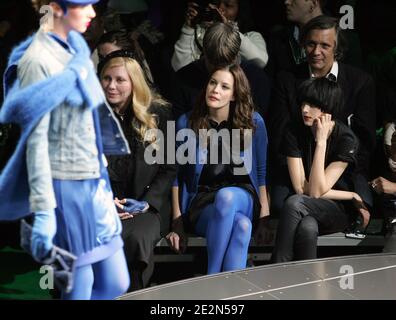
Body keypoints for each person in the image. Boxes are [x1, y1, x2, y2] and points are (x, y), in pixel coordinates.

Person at [0, 0, 130, 299]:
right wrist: (45, 211)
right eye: (82, 5)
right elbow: (35, 141)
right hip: (65, 186)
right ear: (57, 8)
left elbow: (90, 125)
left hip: (92, 180)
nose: (93, 13)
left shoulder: (76, 48)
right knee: (78, 286)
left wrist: (103, 183)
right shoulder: (37, 60)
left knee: (116, 283)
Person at [167, 64, 271, 274]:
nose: (215, 90)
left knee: (227, 197)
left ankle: (211, 278)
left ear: (235, 95)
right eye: (213, 83)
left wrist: (264, 219)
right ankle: (229, 296)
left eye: (225, 86)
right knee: (241, 227)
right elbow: (176, 176)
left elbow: (261, 173)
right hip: (202, 202)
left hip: (243, 197)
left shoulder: (254, 122)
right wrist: (177, 222)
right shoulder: (186, 122)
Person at [268, 15, 376, 218]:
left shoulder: (360, 82)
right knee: (283, 208)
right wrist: (303, 179)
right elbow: (278, 136)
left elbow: (366, 141)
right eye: (311, 44)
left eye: (325, 45)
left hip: (344, 170)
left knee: (362, 210)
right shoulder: (287, 80)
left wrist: (330, 178)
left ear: (337, 48)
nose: (316, 52)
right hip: (297, 171)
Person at [99, 50, 176, 291]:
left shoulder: (160, 114)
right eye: (106, 78)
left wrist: (145, 203)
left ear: (134, 83)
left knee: (136, 236)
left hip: (145, 205)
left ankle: (134, 293)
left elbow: (169, 167)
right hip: (103, 205)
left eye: (120, 80)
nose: (112, 86)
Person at [272, 77, 370, 262]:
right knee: (307, 227)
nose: (304, 109)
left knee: (294, 203)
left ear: (327, 108)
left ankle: (279, 266)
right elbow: (302, 189)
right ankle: (309, 284)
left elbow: (315, 191)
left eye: (312, 104)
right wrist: (350, 195)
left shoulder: (346, 139)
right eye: (303, 103)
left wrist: (322, 142)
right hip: (307, 205)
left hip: (337, 210)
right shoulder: (293, 131)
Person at [171, 21, 270, 120]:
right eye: (215, 65)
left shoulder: (256, 78)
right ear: (204, 52)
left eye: (226, 65)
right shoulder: (183, 79)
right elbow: (178, 128)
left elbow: (255, 127)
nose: (219, 72)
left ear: (236, 54)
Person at [171, 0, 268, 72]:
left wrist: (228, 28)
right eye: (216, 3)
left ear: (240, 10)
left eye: (228, 5)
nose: (220, 9)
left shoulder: (252, 36)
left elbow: (260, 62)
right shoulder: (194, 32)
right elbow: (180, 68)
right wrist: (189, 28)